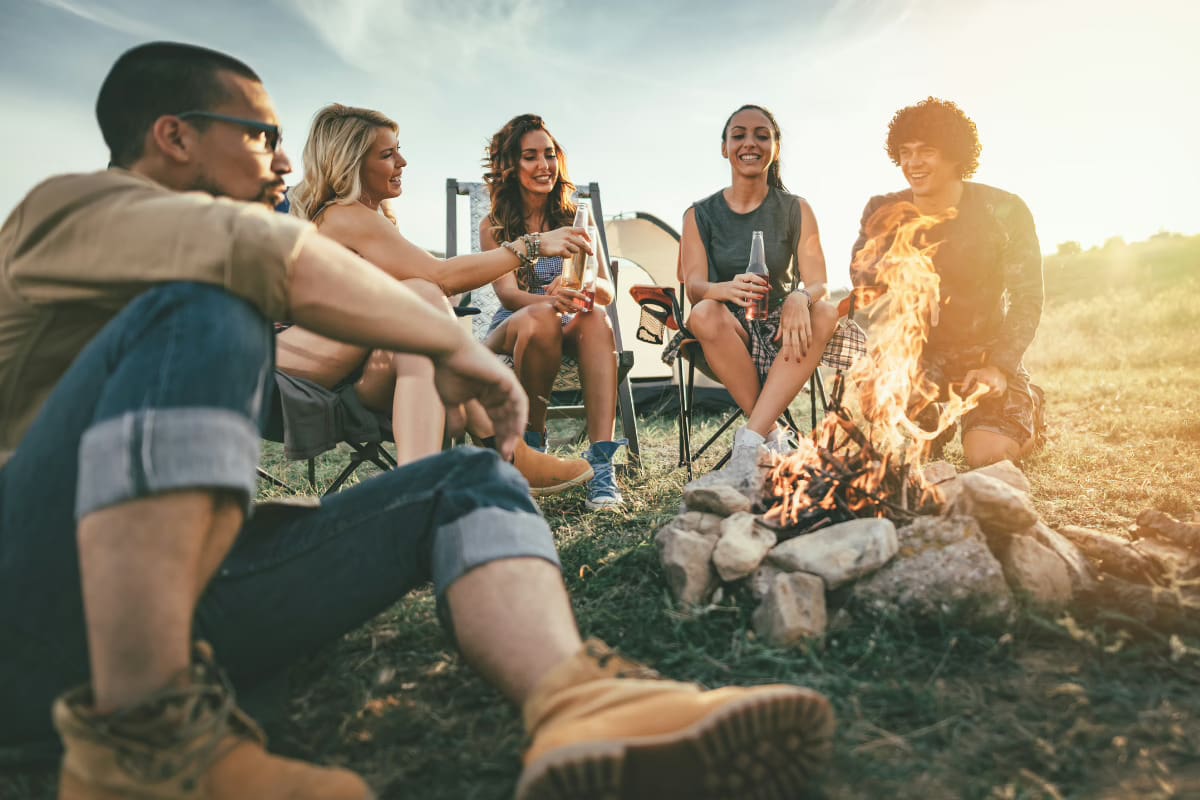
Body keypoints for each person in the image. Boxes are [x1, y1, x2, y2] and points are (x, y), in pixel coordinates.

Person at [0, 42, 836, 799]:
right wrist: (456, 347)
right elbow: (261, 257)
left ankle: (577, 700)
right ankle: (146, 748)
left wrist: (434, 336)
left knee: (466, 478)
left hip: (195, 610)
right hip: (28, 597)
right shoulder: (66, 210)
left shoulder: (266, 235)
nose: (284, 157)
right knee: (205, 304)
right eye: (259, 134)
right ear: (174, 136)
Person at [277, 103, 594, 496]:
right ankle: (505, 448)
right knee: (423, 294)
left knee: (421, 342)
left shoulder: (371, 220)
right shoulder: (343, 215)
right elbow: (439, 277)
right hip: (293, 368)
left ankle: (420, 499)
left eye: (399, 149)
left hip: (353, 377)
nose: (403, 161)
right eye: (387, 153)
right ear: (353, 164)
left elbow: (438, 280)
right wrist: (531, 245)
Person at [850, 97, 1044, 468]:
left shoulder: (1004, 210)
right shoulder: (882, 209)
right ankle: (933, 427)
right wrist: (909, 281)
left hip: (984, 357)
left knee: (986, 456)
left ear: (956, 155)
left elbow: (1027, 297)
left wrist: (1000, 367)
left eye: (927, 151)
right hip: (916, 359)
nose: (913, 163)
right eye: (905, 152)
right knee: (897, 453)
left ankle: (1029, 408)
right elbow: (862, 276)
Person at [678, 104, 839, 468]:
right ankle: (770, 434)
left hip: (784, 333)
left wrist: (800, 296)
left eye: (761, 135)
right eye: (739, 135)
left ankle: (752, 440)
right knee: (703, 312)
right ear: (724, 148)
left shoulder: (796, 208)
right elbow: (695, 285)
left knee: (826, 310)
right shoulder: (699, 214)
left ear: (775, 148)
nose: (749, 143)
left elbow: (819, 282)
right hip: (726, 334)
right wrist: (723, 289)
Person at [479, 114, 627, 510]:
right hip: (516, 324)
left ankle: (601, 464)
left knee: (595, 316)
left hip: (569, 322)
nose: (543, 166)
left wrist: (585, 286)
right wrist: (550, 301)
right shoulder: (495, 225)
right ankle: (533, 446)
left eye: (549, 155)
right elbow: (509, 296)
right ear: (510, 165)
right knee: (542, 317)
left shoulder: (576, 217)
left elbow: (606, 291)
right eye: (530, 157)